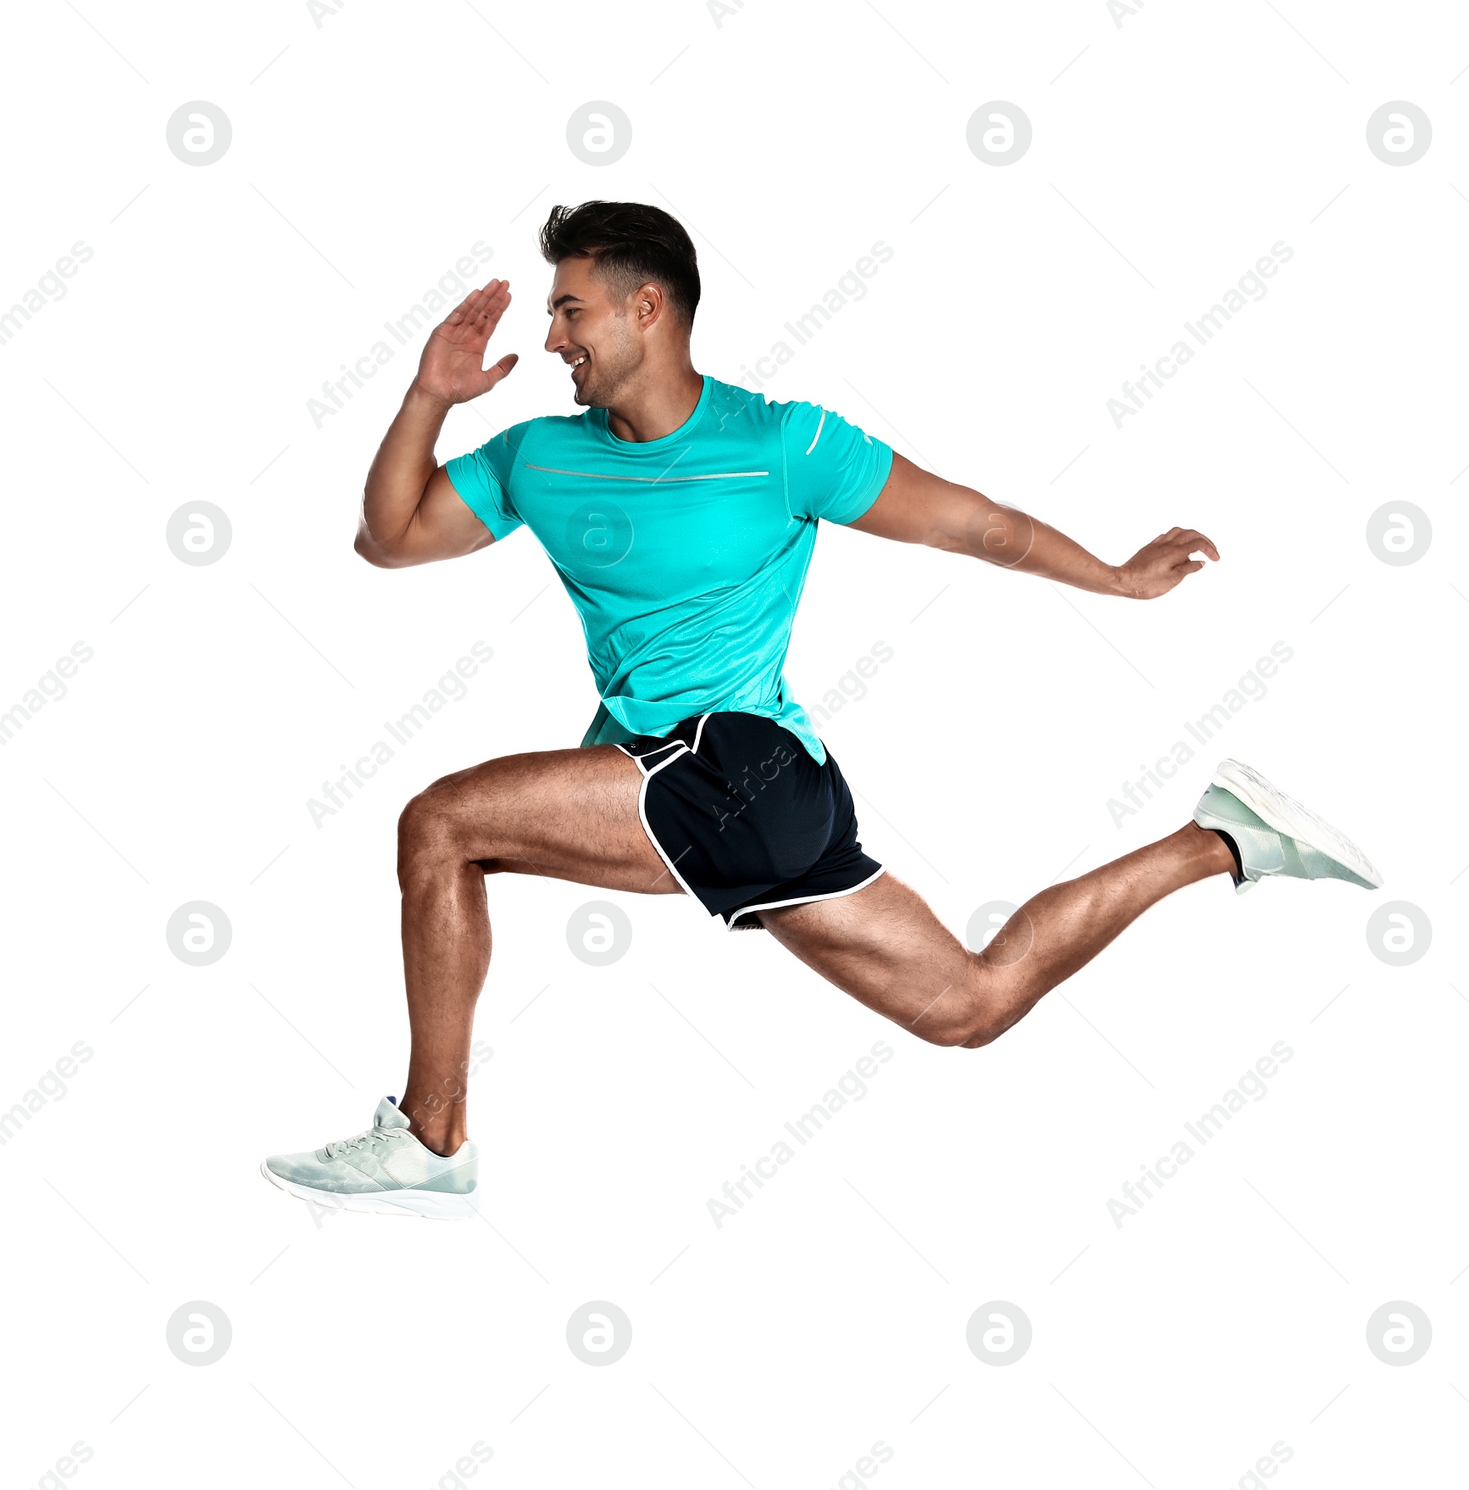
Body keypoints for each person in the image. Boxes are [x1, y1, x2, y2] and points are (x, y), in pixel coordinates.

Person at [261, 201, 1380, 1219]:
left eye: (568, 308)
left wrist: (1119, 580)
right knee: (970, 1004)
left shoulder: (782, 444)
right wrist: (427, 396)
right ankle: (1226, 837)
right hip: (721, 791)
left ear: (646, 309)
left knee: (441, 824)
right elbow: (390, 539)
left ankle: (432, 1137)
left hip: (738, 766)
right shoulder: (538, 456)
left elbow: (976, 526)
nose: (552, 337)